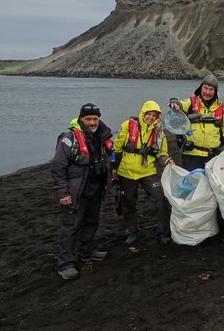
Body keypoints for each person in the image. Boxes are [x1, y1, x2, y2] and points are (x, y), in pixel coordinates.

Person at [51, 103, 113, 280]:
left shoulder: (101, 137)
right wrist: (63, 193)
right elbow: (58, 167)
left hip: (94, 188)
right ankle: (65, 263)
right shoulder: (69, 138)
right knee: (70, 227)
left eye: (95, 119)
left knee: (91, 221)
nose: (92, 122)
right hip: (76, 190)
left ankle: (87, 251)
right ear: (81, 119)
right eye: (88, 119)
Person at [112, 100, 174, 247]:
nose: (151, 117)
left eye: (154, 115)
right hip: (127, 172)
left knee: (160, 199)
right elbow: (116, 149)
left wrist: (168, 160)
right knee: (128, 203)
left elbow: (162, 153)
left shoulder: (159, 132)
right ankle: (132, 232)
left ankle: (163, 233)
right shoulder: (127, 126)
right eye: (149, 114)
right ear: (143, 113)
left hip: (148, 171)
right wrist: (114, 170)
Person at [169, 74, 224, 171]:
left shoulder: (221, 110)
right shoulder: (190, 103)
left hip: (213, 157)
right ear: (200, 88)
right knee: (192, 184)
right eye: (205, 88)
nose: (207, 92)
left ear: (215, 91)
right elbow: (180, 104)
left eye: (211, 89)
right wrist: (174, 102)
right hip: (191, 156)